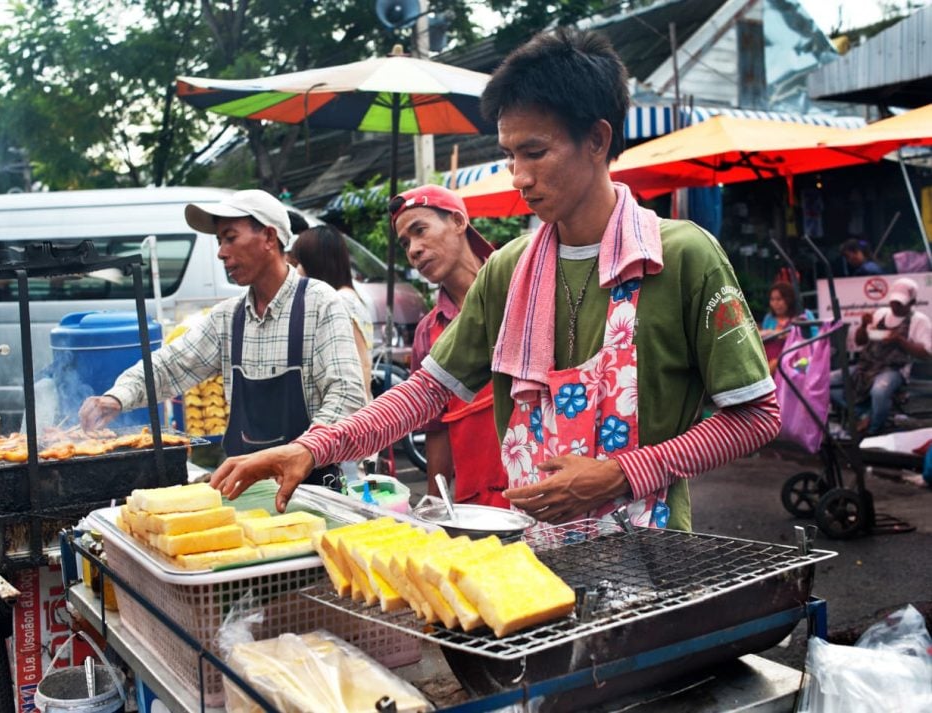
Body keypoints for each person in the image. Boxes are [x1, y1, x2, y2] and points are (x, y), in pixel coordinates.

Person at [209, 28, 780, 531]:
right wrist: (313, 448)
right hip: (529, 548)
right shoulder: (509, 270)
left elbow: (756, 414)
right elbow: (428, 391)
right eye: (509, 155)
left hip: (653, 551)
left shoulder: (679, 257)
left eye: (535, 152)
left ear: (598, 140)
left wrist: (619, 473)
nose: (519, 177)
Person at [78, 190, 367, 484]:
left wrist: (303, 450)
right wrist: (118, 396)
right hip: (245, 488)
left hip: (309, 488)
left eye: (230, 238)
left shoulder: (320, 304)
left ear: (268, 238)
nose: (221, 252)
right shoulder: (228, 318)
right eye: (219, 241)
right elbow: (170, 365)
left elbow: (347, 393)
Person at [395, 184, 509, 507]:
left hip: (542, 496)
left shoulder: (519, 286)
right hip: (478, 508)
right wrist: (436, 505)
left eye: (420, 231)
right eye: (405, 243)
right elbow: (435, 430)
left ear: (459, 222)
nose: (414, 250)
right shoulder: (427, 333)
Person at [832, 278, 932, 435]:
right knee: (825, 382)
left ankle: (873, 430)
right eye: (894, 301)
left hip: (894, 369)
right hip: (867, 365)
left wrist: (899, 340)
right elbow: (860, 341)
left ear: (912, 302)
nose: (895, 306)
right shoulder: (881, 314)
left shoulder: (919, 321)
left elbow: (927, 353)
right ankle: (864, 413)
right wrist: (864, 325)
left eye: (901, 302)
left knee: (879, 391)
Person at [290, 225, 374, 399]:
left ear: (316, 263)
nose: (296, 271)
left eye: (300, 263)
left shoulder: (340, 301)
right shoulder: (350, 297)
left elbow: (361, 364)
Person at [760, 281, 815, 373]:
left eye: (779, 299)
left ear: (788, 299)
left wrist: (788, 335)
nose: (775, 303)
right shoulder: (769, 318)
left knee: (776, 363)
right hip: (771, 358)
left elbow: (814, 338)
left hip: (799, 358)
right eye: (772, 300)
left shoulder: (804, 315)